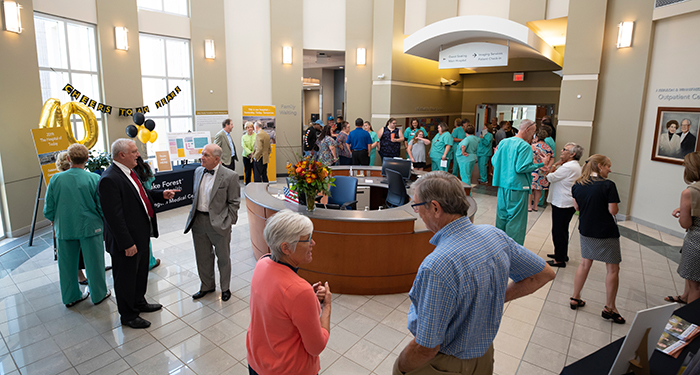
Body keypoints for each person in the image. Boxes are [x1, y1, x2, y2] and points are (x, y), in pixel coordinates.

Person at [394, 171, 555, 375]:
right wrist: (493, 298)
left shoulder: (436, 265)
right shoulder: (494, 234)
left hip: (444, 363)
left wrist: (400, 367)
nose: (417, 213)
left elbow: (427, 347)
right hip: (484, 356)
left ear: (435, 207)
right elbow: (543, 274)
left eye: (416, 206)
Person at [98, 139, 178, 329]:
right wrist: (127, 243)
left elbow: (140, 194)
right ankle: (128, 315)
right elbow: (114, 217)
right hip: (126, 240)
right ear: (121, 155)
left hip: (140, 235)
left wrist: (160, 195)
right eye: (133, 151)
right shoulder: (110, 179)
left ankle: (139, 302)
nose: (138, 154)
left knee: (140, 272)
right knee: (125, 277)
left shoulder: (129, 172)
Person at [246, 210, 331, 375]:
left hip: (257, 363)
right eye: (307, 239)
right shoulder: (300, 291)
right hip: (287, 369)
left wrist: (306, 300)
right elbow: (316, 347)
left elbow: (278, 307)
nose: (313, 243)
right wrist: (326, 307)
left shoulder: (262, 262)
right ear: (286, 248)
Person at [44, 143, 110, 307]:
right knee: (95, 263)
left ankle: (70, 297)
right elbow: (102, 206)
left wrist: (56, 220)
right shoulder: (94, 178)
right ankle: (98, 294)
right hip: (90, 227)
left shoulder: (55, 179)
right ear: (87, 159)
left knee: (67, 266)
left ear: (68, 158)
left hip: (65, 229)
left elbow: (48, 208)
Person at [570, 154, 625, 324]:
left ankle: (575, 297)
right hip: (605, 231)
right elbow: (613, 211)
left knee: (585, 263)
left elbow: (577, 207)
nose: (610, 169)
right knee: (613, 269)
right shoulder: (608, 185)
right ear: (600, 166)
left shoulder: (578, 184)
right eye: (608, 166)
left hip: (586, 228)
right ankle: (610, 307)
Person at [185, 144, 241, 302]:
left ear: (217, 159)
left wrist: (228, 222)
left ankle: (225, 288)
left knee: (223, 257)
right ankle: (207, 286)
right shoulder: (197, 171)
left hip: (219, 222)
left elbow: (234, 202)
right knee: (202, 257)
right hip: (198, 221)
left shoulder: (230, 176)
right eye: (202, 154)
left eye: (206, 155)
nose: (201, 157)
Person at [491, 119, 549, 245]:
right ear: (527, 129)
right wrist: (540, 164)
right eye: (533, 132)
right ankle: (514, 252)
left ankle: (499, 246)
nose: (533, 136)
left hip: (503, 186)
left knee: (502, 218)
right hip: (517, 187)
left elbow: (495, 162)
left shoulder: (503, 143)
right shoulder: (524, 146)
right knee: (516, 222)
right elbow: (521, 167)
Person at [545, 143, 584, 267]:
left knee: (558, 231)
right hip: (565, 202)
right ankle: (561, 254)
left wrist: (554, 166)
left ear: (572, 154)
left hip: (563, 203)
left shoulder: (568, 167)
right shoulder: (572, 166)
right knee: (562, 230)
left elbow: (550, 177)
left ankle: (559, 259)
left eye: (564, 150)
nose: (561, 151)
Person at [669, 152, 700, 304]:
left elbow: (686, 223)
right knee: (693, 276)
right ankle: (684, 296)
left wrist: (683, 213)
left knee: (695, 285)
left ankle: (690, 321)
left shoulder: (689, 192)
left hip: (696, 241)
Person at [133, 156, 161, 270]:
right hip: (147, 202)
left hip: (136, 205)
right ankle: (150, 261)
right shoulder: (146, 168)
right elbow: (151, 181)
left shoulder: (131, 172)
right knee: (146, 235)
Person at [528, 128, 554, 212]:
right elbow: (552, 158)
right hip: (543, 171)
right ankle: (535, 206)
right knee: (538, 189)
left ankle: (529, 206)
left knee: (530, 188)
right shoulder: (548, 147)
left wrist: (540, 166)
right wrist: (547, 167)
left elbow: (532, 159)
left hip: (534, 169)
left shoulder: (533, 146)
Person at [456, 123, 479, 189]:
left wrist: (463, 152)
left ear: (465, 131)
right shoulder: (475, 138)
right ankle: (468, 192)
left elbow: (463, 146)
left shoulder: (467, 139)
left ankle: (466, 193)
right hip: (473, 158)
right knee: (468, 175)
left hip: (465, 159)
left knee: (465, 177)